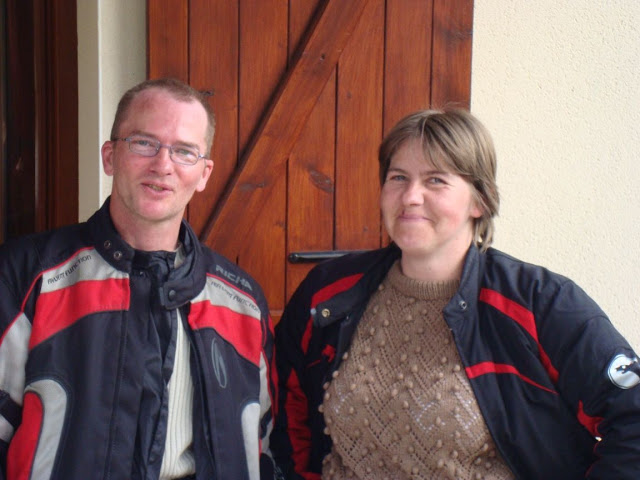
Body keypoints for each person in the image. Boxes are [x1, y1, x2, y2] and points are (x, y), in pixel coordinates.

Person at [270, 108, 640, 479]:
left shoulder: (539, 303)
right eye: (399, 177)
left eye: (435, 180)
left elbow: (632, 416)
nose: (411, 196)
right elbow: (289, 419)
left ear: (479, 200)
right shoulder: (328, 294)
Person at [0, 78, 276, 479]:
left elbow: (262, 444)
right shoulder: (28, 275)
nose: (163, 165)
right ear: (110, 156)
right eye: (144, 143)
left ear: (204, 174)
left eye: (184, 151)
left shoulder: (242, 300)